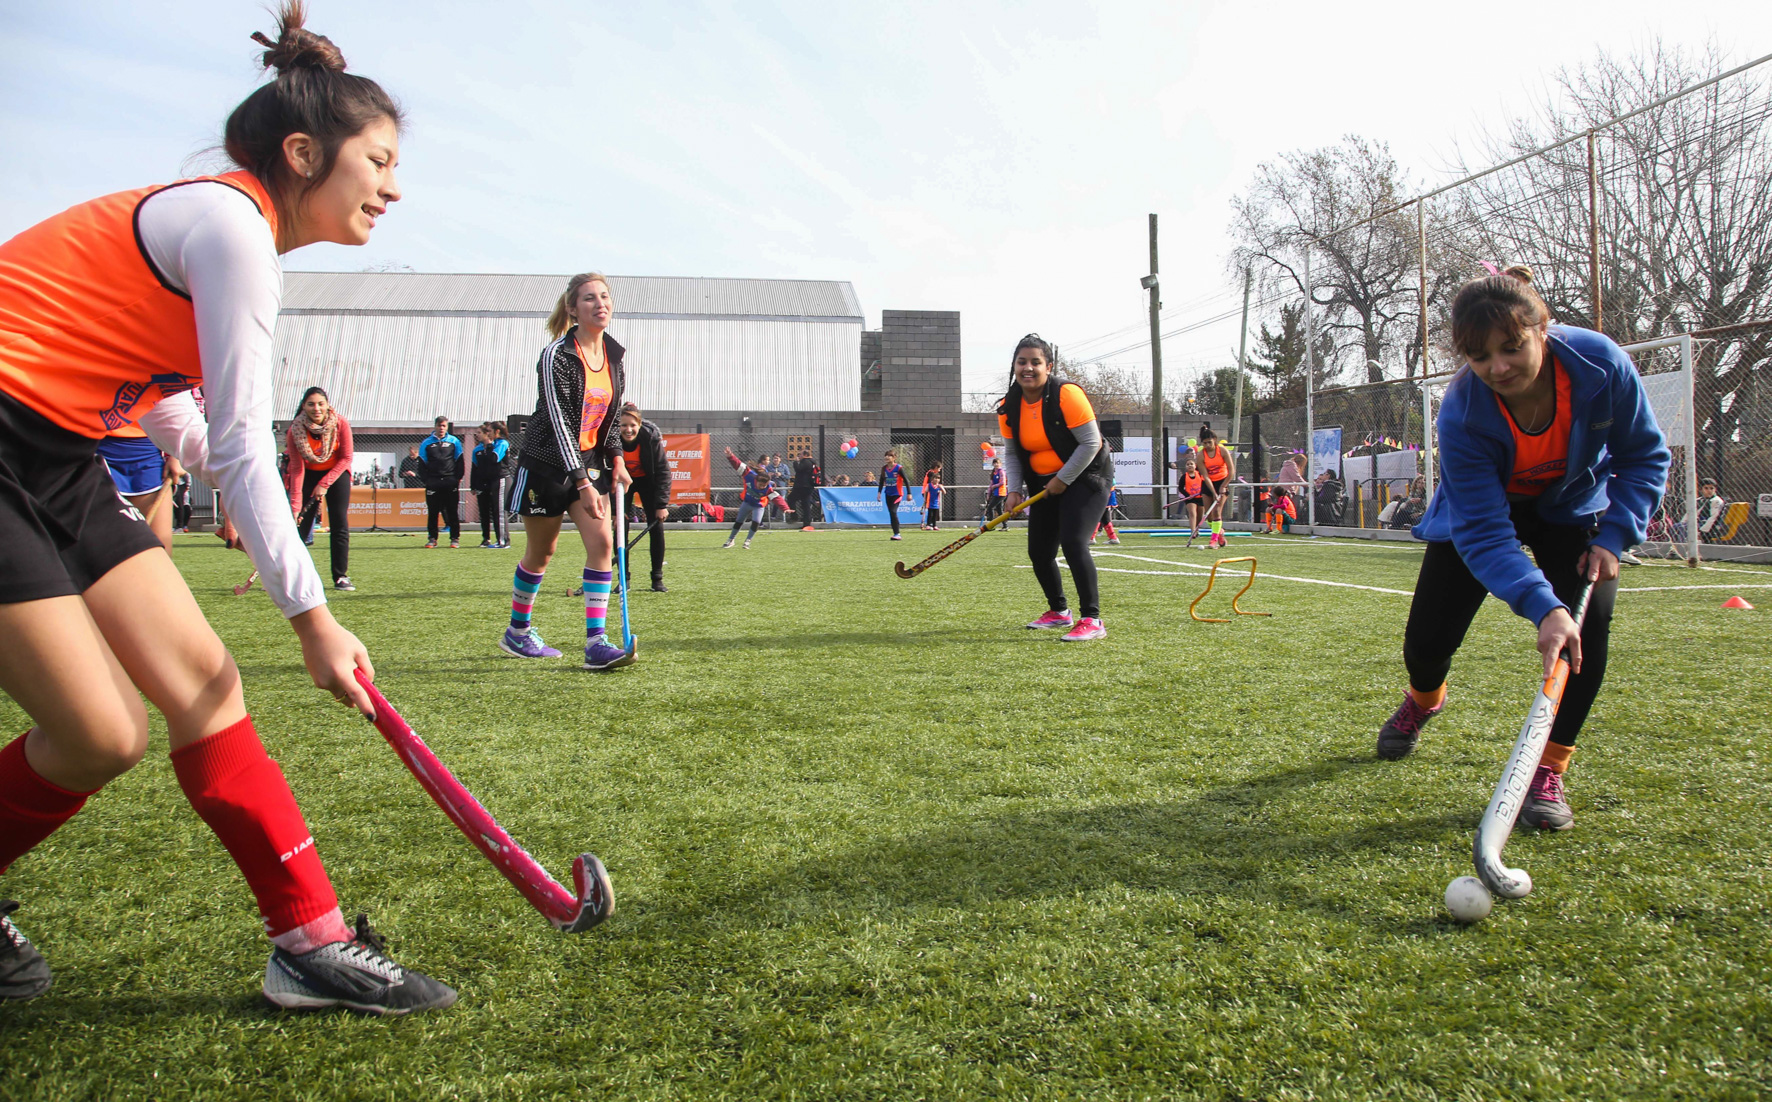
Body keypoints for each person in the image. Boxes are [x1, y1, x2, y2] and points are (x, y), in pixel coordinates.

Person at [0, 3, 456, 1012]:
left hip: (57, 451)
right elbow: (245, 440)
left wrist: (233, 481)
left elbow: (166, 398)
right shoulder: (234, 224)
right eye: (375, 160)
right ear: (303, 153)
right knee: (99, 732)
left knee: (206, 683)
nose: (393, 185)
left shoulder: (223, 228)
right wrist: (313, 617)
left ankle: (310, 941)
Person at [1372, 265, 1668, 832]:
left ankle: (1548, 768)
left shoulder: (1601, 365)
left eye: (1511, 348)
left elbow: (1644, 457)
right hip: (1485, 509)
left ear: (1542, 329)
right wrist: (1543, 606)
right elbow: (1484, 532)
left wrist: (1614, 536)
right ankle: (1425, 699)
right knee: (1426, 641)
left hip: (1571, 511)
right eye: (1480, 358)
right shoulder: (1460, 410)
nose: (1498, 368)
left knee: (1587, 631)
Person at [502, 272, 634, 671]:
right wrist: (580, 481)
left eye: (605, 297)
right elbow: (560, 421)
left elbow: (611, 418)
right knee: (542, 554)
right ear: (572, 308)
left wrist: (616, 458)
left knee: (603, 546)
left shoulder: (614, 358)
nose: (600, 304)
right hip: (545, 467)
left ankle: (596, 642)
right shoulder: (556, 355)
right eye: (590, 298)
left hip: (588, 466)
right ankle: (518, 632)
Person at [999, 334, 1113, 642]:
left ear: (1048, 366)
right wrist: (1014, 489)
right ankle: (1059, 612)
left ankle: (1092, 619)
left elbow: (1091, 443)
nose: (1028, 368)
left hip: (1087, 476)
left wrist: (1063, 479)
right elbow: (1012, 452)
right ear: (1014, 366)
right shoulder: (1008, 406)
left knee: (1073, 542)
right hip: (1044, 482)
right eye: (1022, 362)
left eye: (1036, 362)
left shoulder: (1067, 395)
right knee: (1039, 551)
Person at [282, 386, 355, 590]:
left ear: (327, 405)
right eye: (311, 404)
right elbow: (296, 469)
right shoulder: (295, 430)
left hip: (337, 473)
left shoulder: (340, 423)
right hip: (308, 473)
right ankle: (292, 576)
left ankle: (340, 576)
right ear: (304, 406)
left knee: (339, 523)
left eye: (321, 404)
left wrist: (324, 484)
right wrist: (296, 507)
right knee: (301, 526)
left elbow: (347, 458)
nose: (317, 408)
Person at [618, 404, 670, 591]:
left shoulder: (651, 439)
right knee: (619, 530)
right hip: (622, 484)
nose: (628, 429)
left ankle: (657, 579)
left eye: (632, 425)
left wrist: (661, 505)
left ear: (639, 424)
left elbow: (663, 472)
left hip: (648, 482)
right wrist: (615, 511)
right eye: (623, 425)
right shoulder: (612, 440)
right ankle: (624, 580)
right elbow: (606, 472)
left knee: (656, 528)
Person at [96, 428, 176, 547]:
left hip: (149, 453)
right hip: (97, 448)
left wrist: (177, 455)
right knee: (101, 547)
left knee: (160, 549)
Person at [418, 415, 462, 548]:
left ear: (447, 427)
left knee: (452, 510)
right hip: (433, 482)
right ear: (435, 426)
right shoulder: (426, 443)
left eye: (444, 426)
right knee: (433, 511)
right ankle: (432, 538)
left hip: (450, 481)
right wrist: (427, 481)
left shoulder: (454, 441)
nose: (441, 428)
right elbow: (421, 463)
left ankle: (455, 538)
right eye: (439, 426)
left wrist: (456, 479)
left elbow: (459, 461)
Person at [470, 421, 511, 549]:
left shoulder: (502, 443)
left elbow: (494, 458)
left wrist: (488, 447)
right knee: (493, 511)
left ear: (496, 432)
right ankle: (497, 539)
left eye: (490, 431)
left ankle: (503, 541)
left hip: (501, 478)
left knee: (499, 510)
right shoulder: (485, 447)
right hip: (493, 481)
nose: (489, 434)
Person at [723, 451, 774, 549]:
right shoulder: (749, 476)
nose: (762, 487)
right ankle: (731, 540)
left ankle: (747, 541)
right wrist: (731, 457)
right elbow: (739, 465)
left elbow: (777, 498)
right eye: (761, 484)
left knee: (756, 522)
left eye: (765, 485)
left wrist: (785, 508)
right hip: (747, 502)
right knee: (739, 521)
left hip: (759, 505)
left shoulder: (768, 488)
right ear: (757, 480)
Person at [1197, 426, 1236, 549]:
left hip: (1222, 482)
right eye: (1204, 443)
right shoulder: (1200, 455)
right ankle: (1219, 533)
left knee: (1216, 511)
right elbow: (1205, 476)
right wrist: (1213, 492)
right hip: (1208, 484)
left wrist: (1223, 486)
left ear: (1215, 440)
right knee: (1209, 516)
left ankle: (1213, 541)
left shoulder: (1222, 451)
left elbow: (1231, 472)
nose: (1207, 445)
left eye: (1209, 442)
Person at [1177, 457, 1212, 547]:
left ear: (1195, 466)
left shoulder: (1200, 474)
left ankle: (1197, 530)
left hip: (1200, 497)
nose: (1190, 466)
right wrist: (1187, 495)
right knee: (1192, 513)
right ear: (1185, 467)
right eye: (1188, 464)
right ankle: (1192, 531)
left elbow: (1206, 483)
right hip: (1190, 498)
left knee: (1200, 516)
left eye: (1191, 464)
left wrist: (1204, 491)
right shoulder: (1184, 477)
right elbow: (1180, 488)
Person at [876, 449, 909, 540]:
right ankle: (895, 533)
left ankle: (898, 533)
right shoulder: (884, 469)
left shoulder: (899, 468)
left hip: (897, 494)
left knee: (893, 511)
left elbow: (906, 480)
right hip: (888, 494)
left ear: (894, 458)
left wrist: (909, 493)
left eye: (889, 455)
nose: (887, 457)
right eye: (886, 455)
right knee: (891, 513)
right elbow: (882, 481)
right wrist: (879, 492)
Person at [789, 452, 820, 532]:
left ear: (805, 455)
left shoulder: (806, 461)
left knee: (791, 499)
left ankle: (794, 516)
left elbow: (798, 469)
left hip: (802, 486)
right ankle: (806, 523)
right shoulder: (812, 462)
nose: (799, 456)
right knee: (805, 505)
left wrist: (796, 462)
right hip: (808, 486)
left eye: (800, 455)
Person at [921, 462, 944, 529]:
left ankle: (932, 524)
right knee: (931, 509)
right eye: (939, 469)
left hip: (930, 492)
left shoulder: (930, 472)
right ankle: (929, 524)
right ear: (936, 468)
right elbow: (931, 483)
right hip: (928, 492)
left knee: (933, 509)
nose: (939, 471)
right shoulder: (931, 473)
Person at [985, 458, 1006, 525]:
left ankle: (991, 525)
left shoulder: (1001, 471)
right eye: (994, 463)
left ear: (1000, 464)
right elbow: (991, 484)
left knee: (990, 507)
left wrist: (995, 486)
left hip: (1001, 493)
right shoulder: (994, 473)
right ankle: (1005, 526)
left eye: (997, 463)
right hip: (996, 493)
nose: (996, 464)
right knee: (999, 510)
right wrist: (988, 494)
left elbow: (1002, 482)